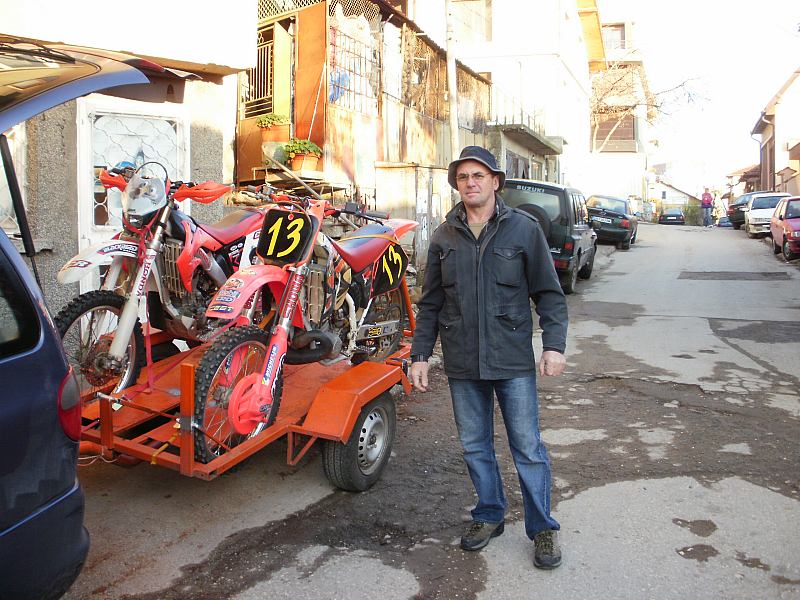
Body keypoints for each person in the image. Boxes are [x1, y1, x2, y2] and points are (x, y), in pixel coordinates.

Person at [408, 145, 568, 569]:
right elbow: (430, 303)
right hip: (463, 361)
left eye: (478, 175)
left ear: (495, 182)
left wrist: (554, 345)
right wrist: (420, 355)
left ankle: (543, 528)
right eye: (463, 177)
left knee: (527, 447)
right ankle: (490, 513)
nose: (471, 183)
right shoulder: (444, 236)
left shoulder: (523, 230)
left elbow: (549, 294)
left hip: (511, 360)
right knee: (474, 446)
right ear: (457, 185)